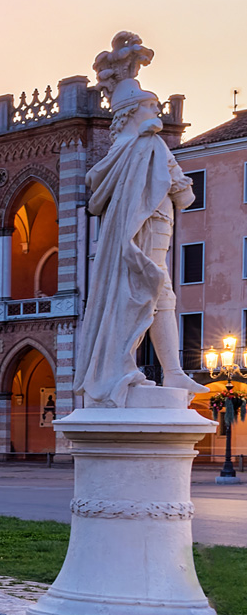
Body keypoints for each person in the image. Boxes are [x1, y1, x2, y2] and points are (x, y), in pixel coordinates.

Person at [74, 32, 208, 408]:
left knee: (156, 294)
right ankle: (145, 369)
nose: (157, 116)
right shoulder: (148, 146)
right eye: (151, 109)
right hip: (148, 228)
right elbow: (186, 194)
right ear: (134, 113)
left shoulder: (132, 149)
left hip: (145, 229)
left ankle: (168, 371)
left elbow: (98, 186)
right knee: (151, 294)